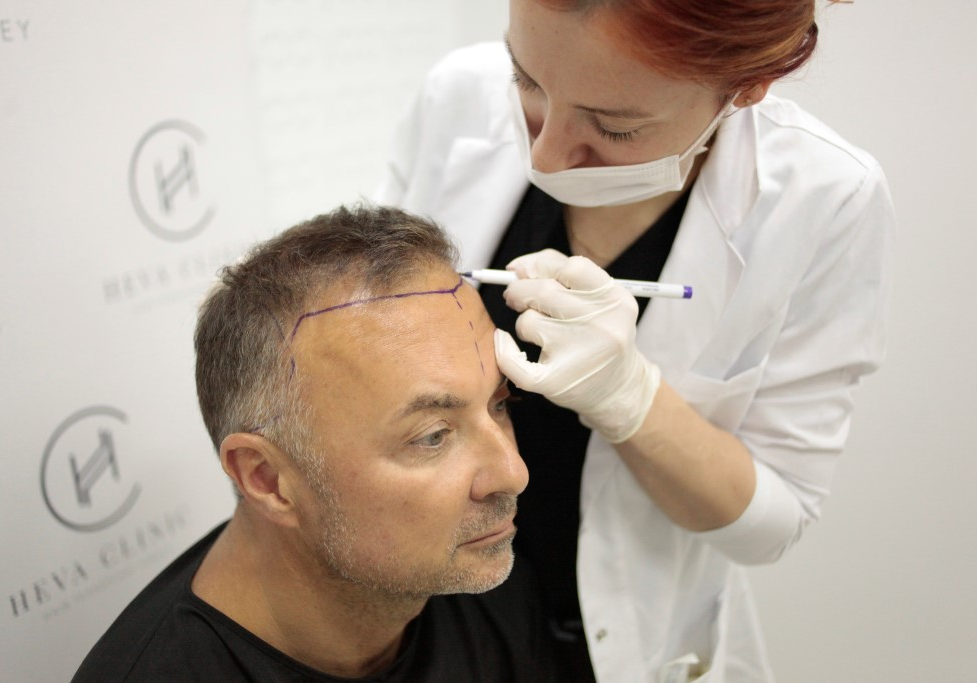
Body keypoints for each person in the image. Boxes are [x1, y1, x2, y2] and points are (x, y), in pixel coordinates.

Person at [375, 1, 894, 681]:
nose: (545, 154)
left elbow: (771, 522)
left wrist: (630, 397)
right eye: (527, 80)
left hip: (602, 643)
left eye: (614, 126)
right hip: (416, 618)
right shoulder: (458, 92)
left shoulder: (824, 199)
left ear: (745, 88)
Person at [71, 205, 564, 682]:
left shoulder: (476, 573)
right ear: (267, 479)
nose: (513, 474)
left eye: (500, 404)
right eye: (432, 437)